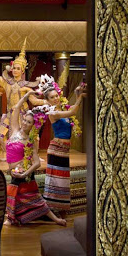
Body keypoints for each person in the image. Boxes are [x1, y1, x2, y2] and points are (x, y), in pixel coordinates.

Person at [4, 91, 66, 226]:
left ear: (33, 125)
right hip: (14, 172)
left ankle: (56, 220)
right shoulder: (14, 129)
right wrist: (27, 96)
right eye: (25, 120)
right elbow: (16, 110)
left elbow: (37, 163)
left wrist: (25, 173)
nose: (25, 123)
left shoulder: (30, 141)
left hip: (23, 173)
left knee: (35, 199)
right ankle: (12, 217)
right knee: (17, 195)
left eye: (29, 122)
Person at [0, 39, 43, 155]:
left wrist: (47, 102)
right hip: (10, 114)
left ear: (22, 70)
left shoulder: (25, 86)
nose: (15, 70)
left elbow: (34, 101)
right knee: (0, 135)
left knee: (33, 136)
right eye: (14, 68)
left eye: (17, 68)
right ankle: (8, 154)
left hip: (23, 114)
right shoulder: (7, 82)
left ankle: (33, 155)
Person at [39, 75, 86, 218]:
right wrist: (80, 98)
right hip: (56, 149)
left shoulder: (62, 110)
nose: (56, 99)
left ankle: (62, 209)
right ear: (47, 100)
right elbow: (73, 112)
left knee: (64, 180)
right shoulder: (53, 113)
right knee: (57, 180)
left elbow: (71, 109)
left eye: (56, 96)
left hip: (64, 150)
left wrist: (78, 93)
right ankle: (53, 210)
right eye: (52, 97)